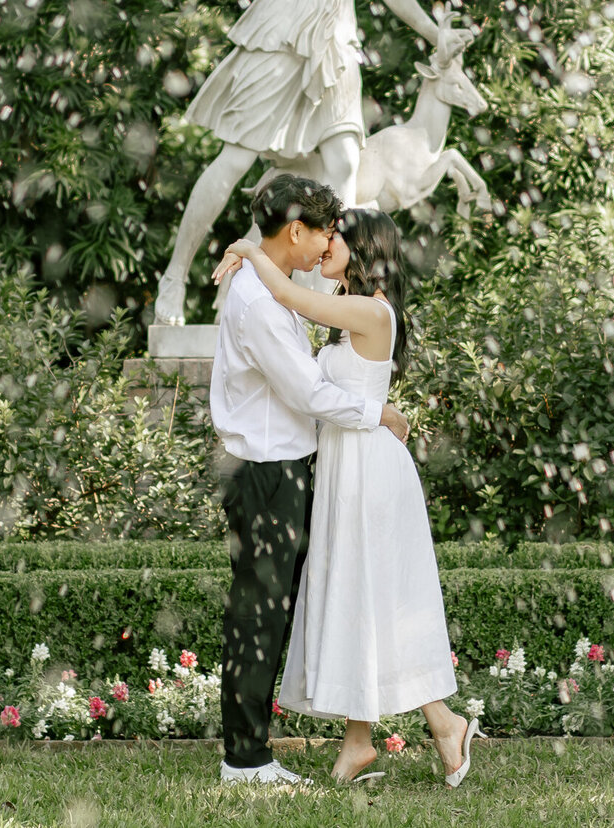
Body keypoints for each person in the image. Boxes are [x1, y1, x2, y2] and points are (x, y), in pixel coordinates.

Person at [154, 0, 473, 325]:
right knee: (235, 160)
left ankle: (309, 300)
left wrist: (431, 33)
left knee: (345, 165)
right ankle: (175, 277)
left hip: (336, 35)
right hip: (284, 24)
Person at [213, 209, 484, 788]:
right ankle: (364, 741)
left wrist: (250, 250)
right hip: (343, 464)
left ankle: (441, 725)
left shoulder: (370, 308)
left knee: (372, 594)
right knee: (358, 594)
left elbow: (291, 294)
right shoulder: (351, 309)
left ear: (364, 248)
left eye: (336, 235)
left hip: (367, 469)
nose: (326, 243)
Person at [211, 173, 411, 787]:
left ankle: (253, 751)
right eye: (324, 231)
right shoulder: (257, 301)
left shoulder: (276, 288)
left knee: (271, 609)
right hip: (268, 473)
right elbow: (308, 390)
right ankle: (245, 760)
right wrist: (378, 412)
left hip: (284, 469)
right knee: (259, 613)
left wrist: (247, 247)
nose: (327, 244)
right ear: (296, 229)